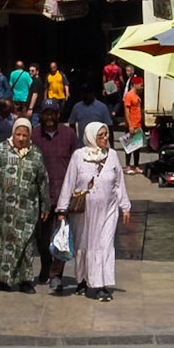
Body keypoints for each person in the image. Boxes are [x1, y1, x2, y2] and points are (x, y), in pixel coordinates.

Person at [55, 120, 132, 302]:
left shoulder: (112, 155)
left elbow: (119, 183)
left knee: (104, 246)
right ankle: (82, 280)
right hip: (83, 213)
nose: (105, 138)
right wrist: (62, 209)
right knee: (84, 245)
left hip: (107, 211)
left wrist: (125, 206)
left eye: (106, 135)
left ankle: (101, 286)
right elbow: (69, 182)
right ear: (91, 137)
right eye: (101, 135)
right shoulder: (78, 156)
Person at [0, 115, 51, 292]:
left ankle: (25, 281)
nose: (21, 138)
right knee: (3, 244)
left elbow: (43, 181)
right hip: (3, 209)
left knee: (25, 245)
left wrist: (45, 204)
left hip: (27, 210)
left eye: (25, 135)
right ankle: (4, 280)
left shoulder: (36, 154)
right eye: (18, 134)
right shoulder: (1, 150)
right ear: (13, 133)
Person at [31, 101, 78, 291]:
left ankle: (56, 274)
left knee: (61, 235)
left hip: (63, 194)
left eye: (52, 114)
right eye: (45, 114)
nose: (49, 117)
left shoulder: (69, 134)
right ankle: (45, 263)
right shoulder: (34, 134)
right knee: (41, 237)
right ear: (41, 115)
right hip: (40, 195)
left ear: (58, 115)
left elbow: (76, 161)